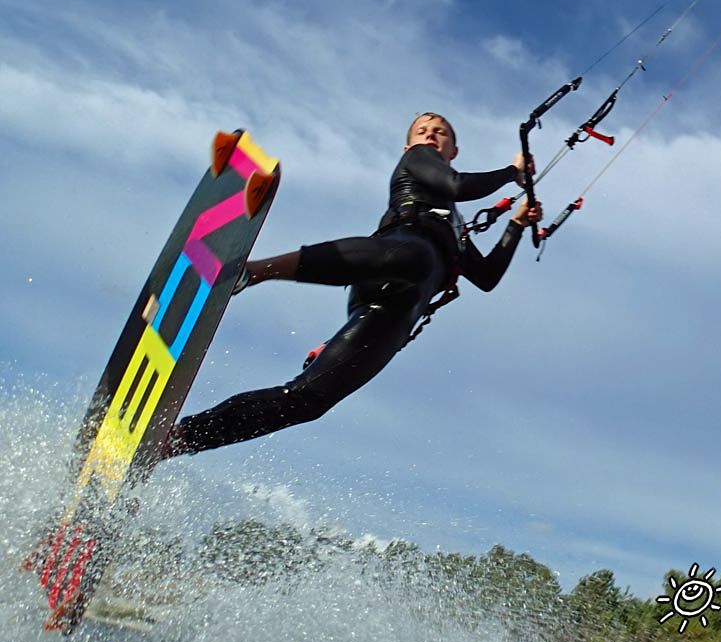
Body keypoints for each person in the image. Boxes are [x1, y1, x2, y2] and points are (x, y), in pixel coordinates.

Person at [162, 113, 542, 458]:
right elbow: (456, 185)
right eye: (422, 131)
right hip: (388, 264)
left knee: (308, 400)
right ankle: (252, 272)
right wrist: (511, 171)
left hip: (395, 312)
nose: (430, 135)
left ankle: (177, 441)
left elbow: (487, 277)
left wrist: (516, 226)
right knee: (417, 259)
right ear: (408, 145)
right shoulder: (418, 161)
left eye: (440, 133)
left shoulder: (454, 227)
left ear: (454, 148)